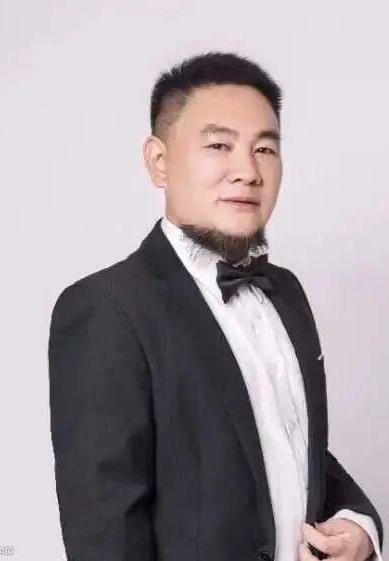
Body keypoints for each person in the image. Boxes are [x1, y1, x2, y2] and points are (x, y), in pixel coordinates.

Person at [48, 51, 384, 561]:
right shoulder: (106, 308)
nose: (247, 171)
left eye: (264, 149)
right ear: (159, 161)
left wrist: (359, 524)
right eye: (219, 145)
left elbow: (294, 447)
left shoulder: (286, 292)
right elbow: (105, 533)